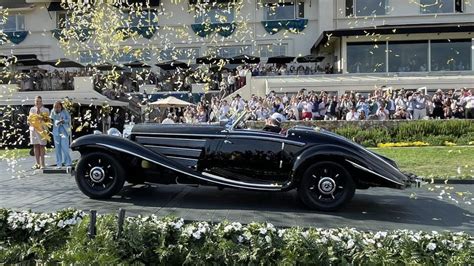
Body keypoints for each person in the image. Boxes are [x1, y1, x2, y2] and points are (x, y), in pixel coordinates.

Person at [28, 96, 50, 169]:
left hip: (42, 130)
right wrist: (29, 121)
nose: (38, 103)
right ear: (35, 102)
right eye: (37, 101)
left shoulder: (45, 110)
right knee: (36, 146)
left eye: (40, 101)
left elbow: (48, 121)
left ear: (42, 102)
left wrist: (42, 118)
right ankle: (37, 163)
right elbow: (30, 119)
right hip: (34, 130)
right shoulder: (32, 109)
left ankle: (43, 164)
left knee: (42, 146)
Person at [50, 101, 72, 169]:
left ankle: (68, 162)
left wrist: (63, 121)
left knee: (65, 147)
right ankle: (59, 163)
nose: (56, 108)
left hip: (64, 131)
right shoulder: (53, 111)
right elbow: (51, 119)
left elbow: (69, 119)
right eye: (55, 107)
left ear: (61, 106)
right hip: (56, 132)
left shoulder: (65, 111)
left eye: (58, 107)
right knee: (57, 148)